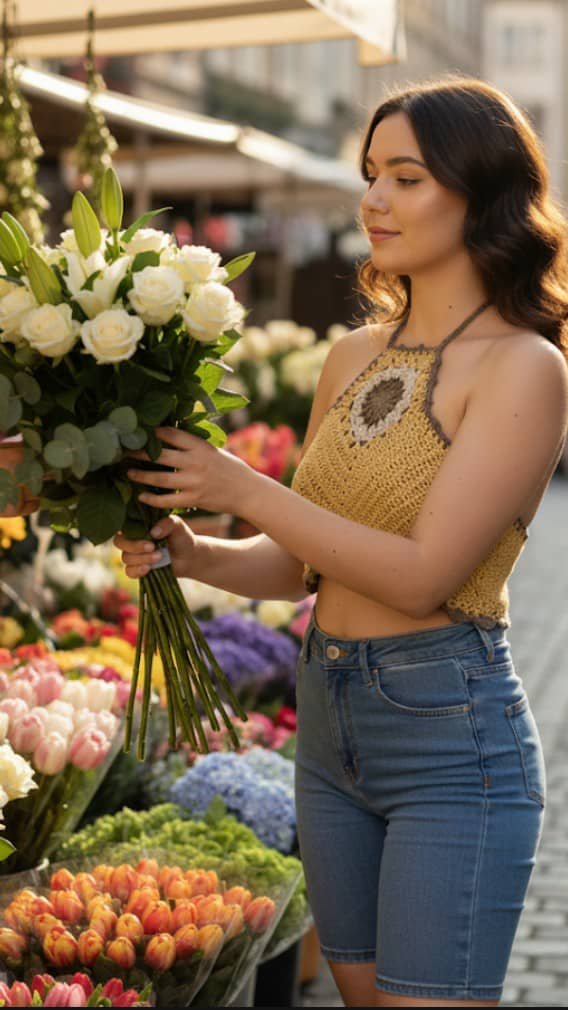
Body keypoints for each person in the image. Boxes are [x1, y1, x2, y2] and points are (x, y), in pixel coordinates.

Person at [115, 76, 568, 1007]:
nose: (372, 200)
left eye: (406, 177)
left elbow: (422, 577)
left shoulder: (527, 368)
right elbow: (299, 566)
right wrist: (193, 553)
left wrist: (243, 486)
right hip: (329, 725)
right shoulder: (351, 355)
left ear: (482, 194)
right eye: (370, 174)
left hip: (451, 738)